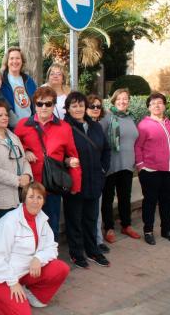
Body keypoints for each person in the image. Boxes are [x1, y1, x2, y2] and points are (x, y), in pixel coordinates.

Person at [0, 182, 70, 315]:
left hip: (25, 272)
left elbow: (52, 247)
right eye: (31, 197)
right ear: (24, 198)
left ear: (43, 201)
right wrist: (13, 282)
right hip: (0, 276)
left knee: (61, 269)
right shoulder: (9, 222)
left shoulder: (42, 220)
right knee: (22, 312)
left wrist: (38, 258)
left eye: (39, 197)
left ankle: (33, 295)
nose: (35, 202)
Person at [14, 86, 81, 241]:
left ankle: (50, 260)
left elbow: (72, 156)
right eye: (40, 104)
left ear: (54, 105)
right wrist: (25, 151)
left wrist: (75, 184)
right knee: (27, 227)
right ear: (34, 105)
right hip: (30, 185)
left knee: (51, 226)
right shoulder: (23, 124)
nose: (44, 107)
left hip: (52, 186)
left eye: (48, 104)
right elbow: (13, 147)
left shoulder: (64, 127)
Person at [63, 92, 112, 269]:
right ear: (67, 108)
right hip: (74, 182)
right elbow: (57, 154)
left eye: (81, 105)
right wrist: (66, 162)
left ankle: (92, 251)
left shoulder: (95, 127)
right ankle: (76, 253)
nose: (78, 109)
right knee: (75, 220)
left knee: (91, 219)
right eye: (74, 106)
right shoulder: (64, 127)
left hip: (94, 180)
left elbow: (106, 150)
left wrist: (103, 169)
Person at [135, 92, 170, 245]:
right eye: (153, 103)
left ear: (164, 105)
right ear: (149, 107)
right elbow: (138, 146)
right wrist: (141, 166)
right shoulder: (144, 125)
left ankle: (167, 230)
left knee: (167, 201)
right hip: (150, 171)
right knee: (150, 201)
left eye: (159, 102)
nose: (157, 105)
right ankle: (148, 230)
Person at [0, 101, 33, 232]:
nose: (5, 117)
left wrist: (27, 175)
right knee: (0, 235)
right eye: (0, 115)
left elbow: (23, 159)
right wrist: (17, 180)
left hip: (18, 195)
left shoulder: (13, 136)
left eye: (6, 115)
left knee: (15, 234)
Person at [100, 88, 141, 243]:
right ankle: (109, 228)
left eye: (125, 99)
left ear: (128, 101)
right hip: (111, 164)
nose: (122, 102)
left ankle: (126, 225)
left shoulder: (131, 118)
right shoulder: (107, 118)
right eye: (119, 99)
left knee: (125, 196)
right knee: (108, 198)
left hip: (127, 165)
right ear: (113, 101)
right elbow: (100, 140)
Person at [86, 94, 110, 254]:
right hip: (82, 175)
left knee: (97, 208)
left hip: (97, 175)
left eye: (98, 106)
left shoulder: (99, 127)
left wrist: (103, 168)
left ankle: (98, 240)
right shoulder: (81, 126)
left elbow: (106, 149)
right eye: (92, 106)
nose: (95, 109)